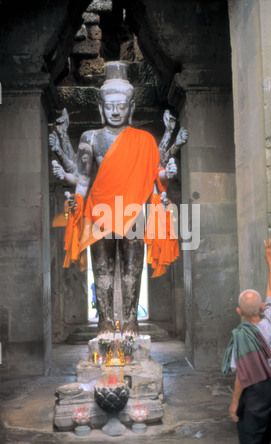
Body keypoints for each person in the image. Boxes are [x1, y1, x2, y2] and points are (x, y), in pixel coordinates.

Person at [50, 61, 187, 338]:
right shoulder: (91, 137)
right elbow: (84, 178)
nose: (114, 111)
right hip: (99, 212)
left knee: (131, 273)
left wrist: (168, 172)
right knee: (101, 272)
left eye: (121, 106)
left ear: (131, 108)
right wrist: (76, 198)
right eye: (109, 106)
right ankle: (104, 327)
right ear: (101, 108)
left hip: (134, 211)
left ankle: (130, 326)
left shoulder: (145, 140)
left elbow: (154, 175)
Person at [222, 238, 271, 444]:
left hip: (258, 387)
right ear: (261, 306)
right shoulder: (268, 318)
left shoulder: (242, 336)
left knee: (249, 437)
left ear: (239, 312)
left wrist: (234, 403)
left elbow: (243, 374)